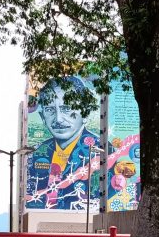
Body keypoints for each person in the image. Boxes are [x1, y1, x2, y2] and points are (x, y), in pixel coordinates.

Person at [26, 77, 102, 210]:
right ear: (43, 117)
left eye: (66, 108)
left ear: (85, 113)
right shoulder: (33, 155)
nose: (59, 119)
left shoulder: (102, 151)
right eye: (50, 110)